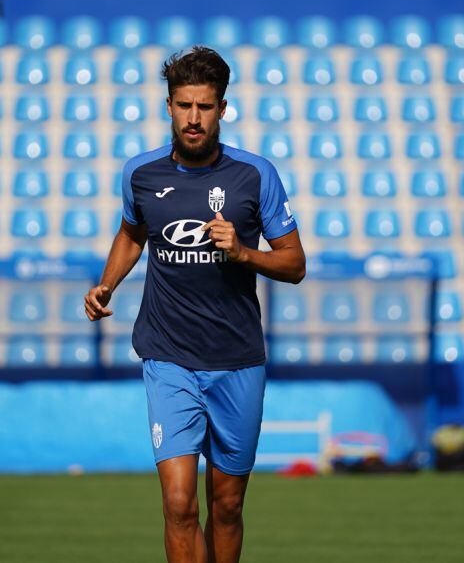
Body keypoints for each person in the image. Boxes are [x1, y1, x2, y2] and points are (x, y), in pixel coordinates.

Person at [84, 46, 306, 563]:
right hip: (168, 357)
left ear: (222, 109)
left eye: (205, 107)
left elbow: (295, 264)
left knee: (225, 506)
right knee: (179, 504)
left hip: (237, 360)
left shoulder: (255, 176)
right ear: (168, 106)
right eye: (184, 105)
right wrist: (107, 284)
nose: (193, 118)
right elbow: (131, 234)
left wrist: (244, 252)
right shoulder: (140, 174)